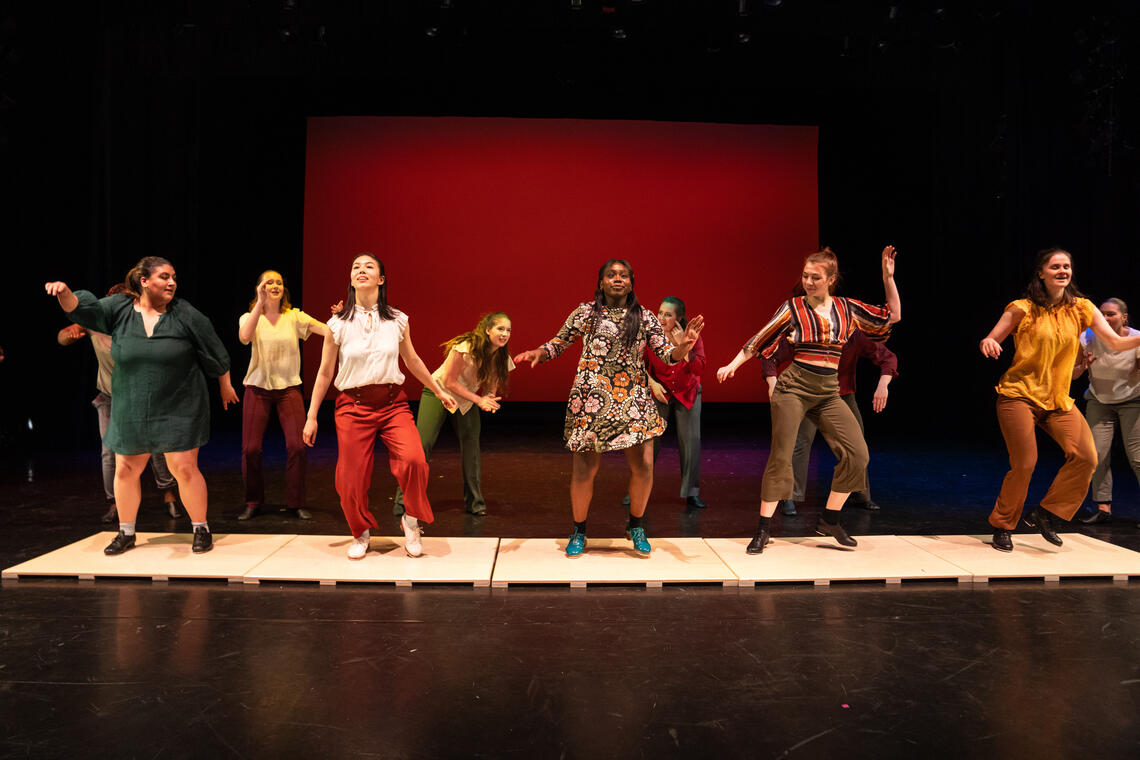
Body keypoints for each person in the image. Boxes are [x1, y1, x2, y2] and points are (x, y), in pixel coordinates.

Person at [45, 257, 239, 555]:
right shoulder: (120, 309)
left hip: (179, 402)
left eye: (174, 276)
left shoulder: (184, 313)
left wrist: (225, 384)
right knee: (126, 467)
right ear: (144, 281)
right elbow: (85, 310)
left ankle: (200, 527)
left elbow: (214, 348)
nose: (172, 282)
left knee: (183, 467)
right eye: (164, 277)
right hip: (132, 402)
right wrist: (64, 292)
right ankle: (126, 532)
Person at [514, 259, 704, 557]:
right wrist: (539, 351)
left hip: (632, 397)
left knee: (643, 465)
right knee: (584, 469)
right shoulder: (585, 312)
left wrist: (684, 347)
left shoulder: (644, 317)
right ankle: (579, 530)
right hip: (592, 397)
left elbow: (668, 355)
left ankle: (636, 525)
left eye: (623, 275)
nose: (618, 279)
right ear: (601, 281)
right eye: (611, 275)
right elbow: (559, 342)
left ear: (631, 282)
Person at [717, 245, 900, 554]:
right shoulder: (793, 308)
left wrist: (887, 277)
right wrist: (733, 365)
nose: (809, 282)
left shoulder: (847, 308)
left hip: (828, 392)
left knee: (857, 454)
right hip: (794, 389)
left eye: (816, 277)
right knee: (782, 455)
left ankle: (830, 519)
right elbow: (758, 340)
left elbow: (891, 316)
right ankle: (763, 529)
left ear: (831, 279)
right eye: (805, 276)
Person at [979, 249, 1140, 551]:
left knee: (1086, 457)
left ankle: (1046, 513)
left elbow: (1116, 342)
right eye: (1055, 267)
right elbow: (991, 338)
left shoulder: (1082, 308)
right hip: (1019, 395)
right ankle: (1002, 525)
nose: (1063, 271)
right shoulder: (1022, 308)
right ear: (1042, 273)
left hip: (1057, 400)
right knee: (1025, 462)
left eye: (1067, 266)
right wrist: (989, 342)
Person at [302, 253, 457, 560]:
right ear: (350, 278)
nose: (361, 270)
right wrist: (311, 416)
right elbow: (324, 372)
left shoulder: (397, 320)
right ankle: (360, 532)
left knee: (414, 460)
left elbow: (412, 360)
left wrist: (438, 390)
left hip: (391, 404)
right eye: (355, 266)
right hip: (352, 405)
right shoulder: (337, 324)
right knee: (349, 478)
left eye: (368, 267)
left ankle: (411, 521)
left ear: (380, 279)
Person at [57, 282, 182, 523]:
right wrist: (70, 335)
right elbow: (61, 337)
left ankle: (169, 495)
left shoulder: (141, 323)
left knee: (156, 447)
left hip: (142, 395)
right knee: (109, 452)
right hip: (110, 396)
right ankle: (114, 503)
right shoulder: (95, 323)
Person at [761, 329, 897, 516]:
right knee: (800, 443)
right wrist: (772, 382)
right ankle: (790, 496)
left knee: (856, 446)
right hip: (807, 395)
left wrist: (883, 385)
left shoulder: (853, 335)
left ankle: (859, 493)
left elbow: (887, 357)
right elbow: (770, 355)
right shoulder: (807, 331)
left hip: (841, 395)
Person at [394, 312, 514, 517]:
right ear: (487, 330)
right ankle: (403, 500)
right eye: (500, 329)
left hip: (465, 399)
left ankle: (475, 503)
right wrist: (479, 400)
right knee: (422, 445)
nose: (504, 334)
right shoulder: (466, 347)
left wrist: (489, 399)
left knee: (471, 448)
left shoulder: (501, 355)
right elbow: (449, 381)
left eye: (508, 330)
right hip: (438, 392)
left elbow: (490, 386)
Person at [237, 270, 329, 521]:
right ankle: (253, 501)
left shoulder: (294, 316)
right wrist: (259, 303)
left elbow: (326, 331)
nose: (275, 285)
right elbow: (244, 337)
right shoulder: (249, 317)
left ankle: (295, 502)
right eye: (269, 282)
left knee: (297, 446)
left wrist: (339, 319)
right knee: (251, 449)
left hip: (289, 389)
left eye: (278, 282)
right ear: (260, 287)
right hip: (257, 389)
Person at [1071, 298, 1140, 526]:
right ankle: (1103, 507)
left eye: (1111, 314)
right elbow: (1073, 375)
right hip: (1099, 400)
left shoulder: (1135, 338)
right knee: (1096, 456)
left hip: (1133, 401)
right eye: (1102, 314)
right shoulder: (1087, 337)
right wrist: (1082, 367)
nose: (1105, 317)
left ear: (1124, 317)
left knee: (1137, 458)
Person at [644, 297, 707, 510]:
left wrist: (685, 344)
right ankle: (639, 487)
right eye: (660, 312)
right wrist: (651, 383)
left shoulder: (692, 337)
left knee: (690, 442)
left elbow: (699, 368)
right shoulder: (651, 336)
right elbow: (637, 364)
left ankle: (691, 494)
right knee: (649, 442)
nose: (661, 318)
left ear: (678, 318)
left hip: (686, 392)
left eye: (668, 314)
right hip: (659, 391)